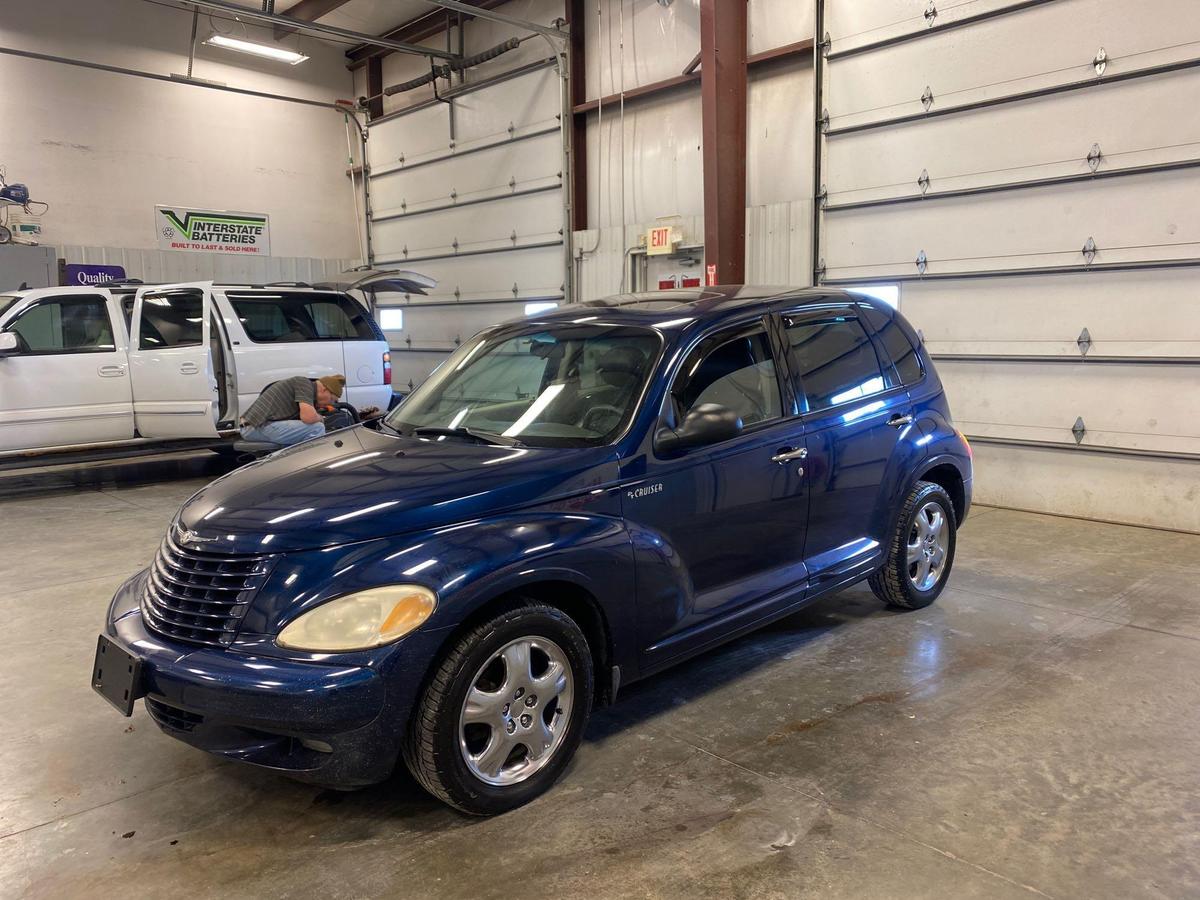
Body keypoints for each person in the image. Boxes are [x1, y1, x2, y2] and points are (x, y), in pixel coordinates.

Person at [240, 374, 346, 447]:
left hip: (257, 427)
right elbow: (308, 417)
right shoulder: (304, 383)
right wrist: (320, 418)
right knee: (317, 428)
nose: (331, 403)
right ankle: (309, 468)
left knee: (306, 433)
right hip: (254, 427)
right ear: (324, 390)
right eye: (332, 399)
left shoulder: (307, 390)